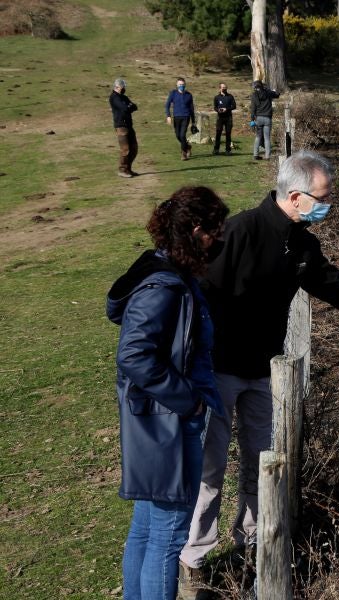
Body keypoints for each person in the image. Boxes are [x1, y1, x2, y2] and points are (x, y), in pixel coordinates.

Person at [178, 150, 339, 596]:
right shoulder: (241, 231)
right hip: (219, 371)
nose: (329, 205)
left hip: (265, 373)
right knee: (209, 468)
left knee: (261, 465)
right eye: (323, 197)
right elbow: (200, 295)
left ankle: (251, 545)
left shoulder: (303, 244)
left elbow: (335, 289)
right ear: (295, 195)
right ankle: (195, 557)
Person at [106, 186, 230, 600]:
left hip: (159, 421)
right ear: (196, 231)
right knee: (168, 535)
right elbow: (135, 356)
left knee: (147, 526)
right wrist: (189, 401)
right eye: (215, 231)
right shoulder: (164, 286)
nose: (219, 239)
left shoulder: (168, 275)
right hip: (168, 425)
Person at [109, 78, 138, 178]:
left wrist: (129, 106)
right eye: (123, 87)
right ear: (117, 87)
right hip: (121, 126)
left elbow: (134, 106)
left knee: (134, 148)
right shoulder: (114, 97)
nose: (124, 88)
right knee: (125, 149)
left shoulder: (124, 97)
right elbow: (125, 108)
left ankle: (128, 168)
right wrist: (128, 106)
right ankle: (122, 169)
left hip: (129, 125)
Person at [165, 77, 197, 161]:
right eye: (179, 84)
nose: (181, 86)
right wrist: (168, 116)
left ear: (185, 85)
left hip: (186, 117)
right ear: (176, 85)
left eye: (182, 84)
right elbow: (167, 105)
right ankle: (188, 146)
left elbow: (191, 109)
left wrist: (193, 122)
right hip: (176, 117)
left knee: (182, 135)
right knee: (178, 136)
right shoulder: (173, 93)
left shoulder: (189, 95)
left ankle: (184, 153)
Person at [249, 80, 279, 160]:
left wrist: (252, 120)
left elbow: (253, 109)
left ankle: (255, 154)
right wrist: (275, 90)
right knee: (267, 138)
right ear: (262, 86)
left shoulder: (254, 95)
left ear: (255, 87)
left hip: (258, 118)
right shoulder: (268, 92)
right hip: (267, 118)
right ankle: (267, 156)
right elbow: (277, 95)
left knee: (258, 137)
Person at [212, 82, 237, 156]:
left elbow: (234, 106)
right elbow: (215, 107)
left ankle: (228, 150)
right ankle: (216, 149)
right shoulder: (217, 97)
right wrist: (218, 110)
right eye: (223, 87)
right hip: (220, 118)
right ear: (220, 88)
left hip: (228, 117)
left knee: (228, 134)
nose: (224, 88)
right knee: (218, 134)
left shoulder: (230, 96)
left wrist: (227, 109)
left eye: (225, 87)